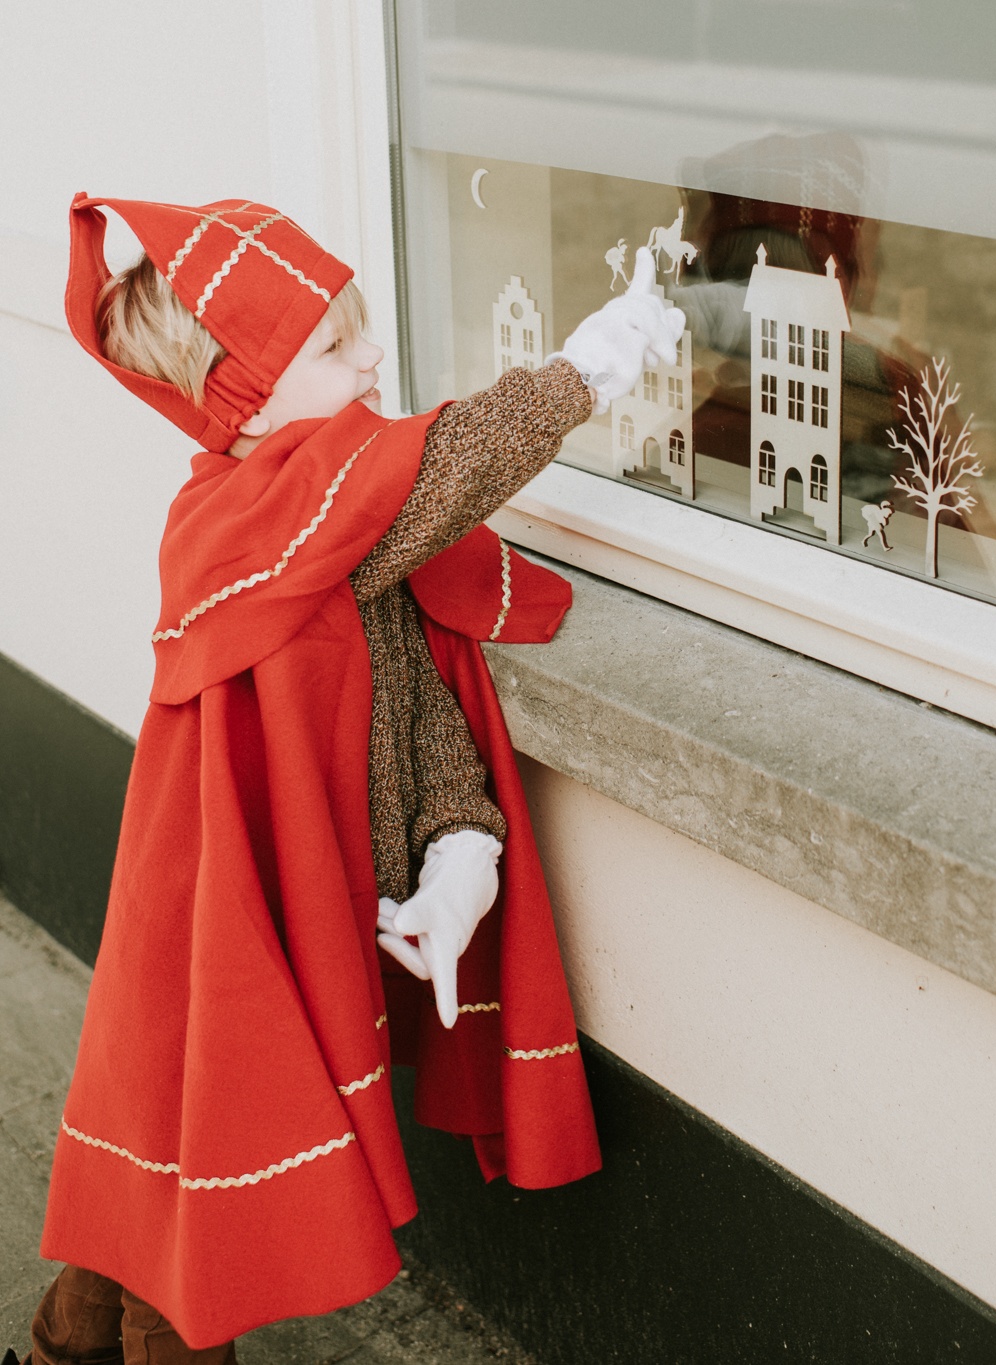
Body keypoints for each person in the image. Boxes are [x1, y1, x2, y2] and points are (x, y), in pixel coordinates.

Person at [22, 194, 683, 1364]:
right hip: (221, 911)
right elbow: (444, 466)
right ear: (242, 395)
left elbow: (412, 691)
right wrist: (584, 369)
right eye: (335, 346)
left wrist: (459, 844)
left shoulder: (329, 532)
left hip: (273, 898)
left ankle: (70, 1340)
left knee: (172, 1139)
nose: (375, 356)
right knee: (210, 1159)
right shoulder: (248, 521)